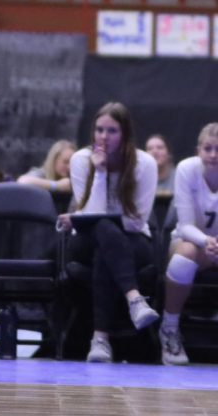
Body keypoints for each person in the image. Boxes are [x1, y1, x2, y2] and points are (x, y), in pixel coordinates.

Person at [58, 101, 160, 364]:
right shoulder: (82, 160)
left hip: (134, 239)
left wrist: (95, 221)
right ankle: (135, 299)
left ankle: (100, 340)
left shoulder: (145, 164)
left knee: (106, 244)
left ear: (125, 133)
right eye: (99, 130)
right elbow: (92, 215)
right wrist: (101, 172)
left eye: (112, 131)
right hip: (85, 241)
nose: (104, 137)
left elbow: (138, 223)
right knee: (103, 229)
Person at [159, 123, 218, 367]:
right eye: (208, 148)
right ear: (198, 150)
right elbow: (184, 226)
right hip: (192, 241)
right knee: (186, 253)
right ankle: (169, 329)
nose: (214, 155)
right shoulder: (186, 169)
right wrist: (208, 241)